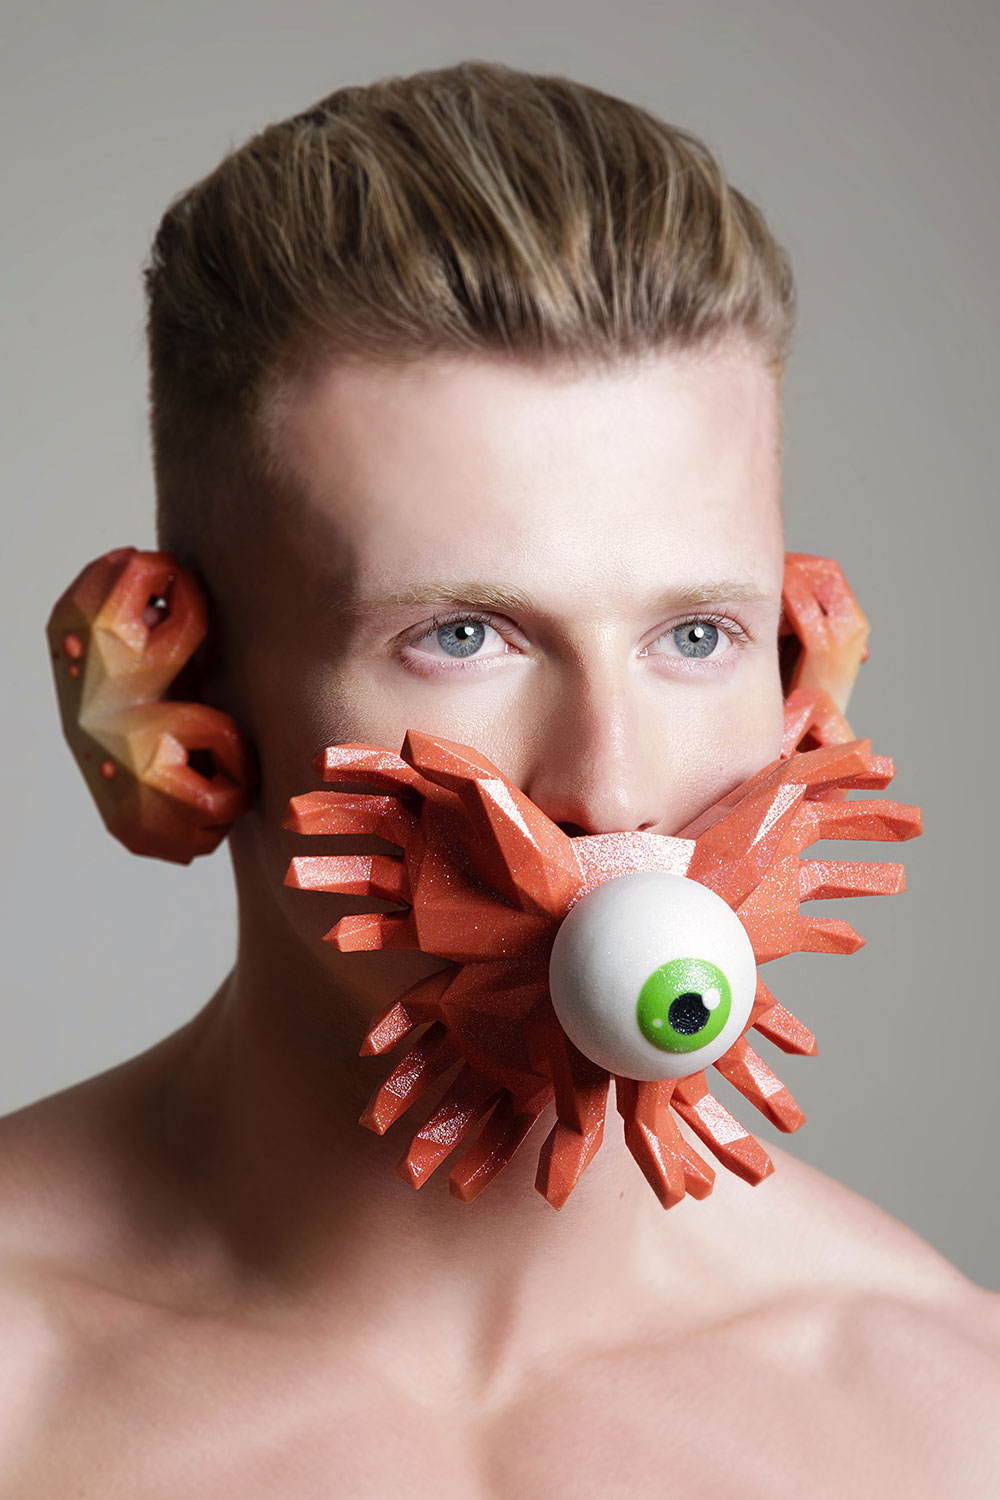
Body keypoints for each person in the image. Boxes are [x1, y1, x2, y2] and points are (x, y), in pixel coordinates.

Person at [3, 60, 998, 1497]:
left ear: (804, 681)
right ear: (178, 703)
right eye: (461, 636)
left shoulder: (948, 1421)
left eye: (696, 635)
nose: (615, 791)